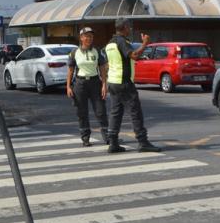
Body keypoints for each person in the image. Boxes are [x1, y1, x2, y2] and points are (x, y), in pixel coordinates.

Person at [103, 18, 161, 153]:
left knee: (115, 113)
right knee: (135, 112)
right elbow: (134, 55)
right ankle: (143, 142)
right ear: (123, 28)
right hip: (124, 82)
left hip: (113, 82)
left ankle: (113, 143)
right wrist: (145, 43)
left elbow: (107, 64)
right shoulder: (122, 41)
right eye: (128, 27)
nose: (130, 29)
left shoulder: (110, 44)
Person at [66, 27, 109, 147]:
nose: (89, 38)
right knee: (82, 112)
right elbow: (70, 71)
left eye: (91, 36)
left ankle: (107, 137)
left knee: (101, 111)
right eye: (86, 36)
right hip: (80, 84)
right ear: (81, 38)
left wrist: (104, 85)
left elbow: (102, 69)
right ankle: (85, 138)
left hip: (95, 82)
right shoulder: (74, 53)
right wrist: (68, 87)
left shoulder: (97, 51)